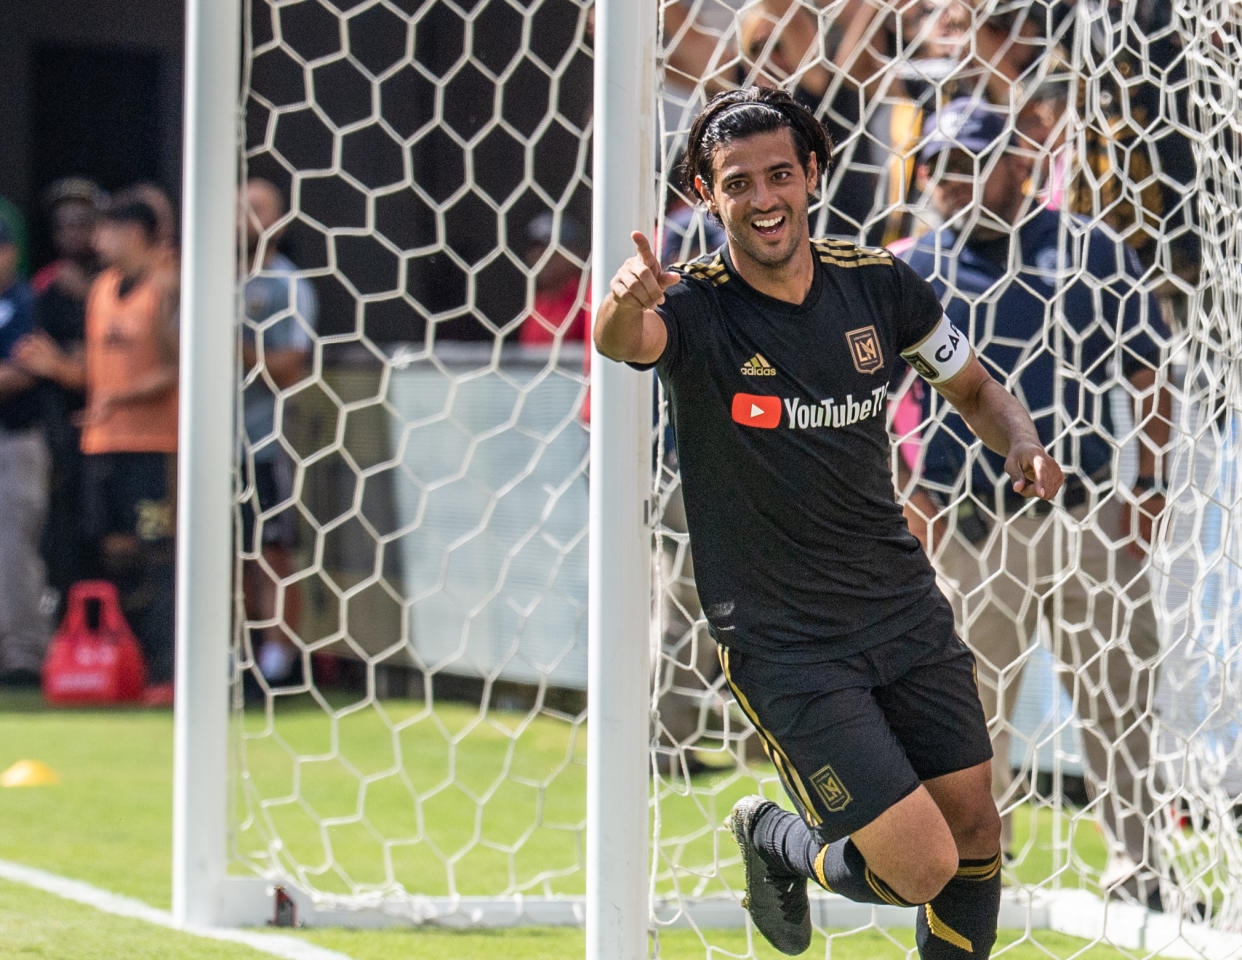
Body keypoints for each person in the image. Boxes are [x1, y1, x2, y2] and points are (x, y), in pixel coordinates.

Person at [594, 86, 1063, 958]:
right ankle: (775, 838)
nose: (764, 198)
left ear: (812, 174)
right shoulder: (694, 305)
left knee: (976, 834)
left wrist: (1021, 445)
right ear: (707, 193)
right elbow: (624, 341)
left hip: (901, 609)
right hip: (784, 638)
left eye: (780, 174)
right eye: (739, 183)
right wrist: (625, 298)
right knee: (919, 867)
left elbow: (973, 387)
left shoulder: (878, 284)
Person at [899, 98, 1173, 911]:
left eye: (969, 165)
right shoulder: (910, 267)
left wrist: (1151, 487)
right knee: (966, 718)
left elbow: (1150, 375)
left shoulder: (1094, 252)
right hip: (970, 528)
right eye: (939, 170)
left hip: (1086, 519)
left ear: (1019, 163)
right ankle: (982, 867)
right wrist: (903, 494)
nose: (951, 184)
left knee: (1119, 698)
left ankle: (1139, 864)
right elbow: (873, 398)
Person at [77, 194, 180, 704]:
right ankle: (125, 662)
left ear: (134, 233)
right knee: (113, 552)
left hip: (153, 443)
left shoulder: (165, 289)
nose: (96, 240)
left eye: (105, 230)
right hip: (102, 441)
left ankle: (168, 672)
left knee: (160, 554)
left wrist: (118, 397)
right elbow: (97, 369)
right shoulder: (100, 289)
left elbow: (175, 367)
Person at [239, 177, 318, 685]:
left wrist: (233, 349)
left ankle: (279, 658)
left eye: (257, 207)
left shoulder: (290, 286)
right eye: (238, 206)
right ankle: (234, 653)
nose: (244, 217)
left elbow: (291, 367)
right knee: (226, 550)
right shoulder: (210, 282)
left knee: (272, 551)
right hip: (215, 447)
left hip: (268, 441)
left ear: (280, 221)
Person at [21, 177, 104, 615]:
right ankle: (67, 619)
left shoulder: (116, 282)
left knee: (107, 530)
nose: (74, 233)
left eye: (83, 223)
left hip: (111, 420)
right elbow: (32, 354)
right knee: (60, 523)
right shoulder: (44, 286)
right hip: (58, 425)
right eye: (65, 225)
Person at [0, 217, 51, 688]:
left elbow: (22, 370)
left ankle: (23, 655)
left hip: (15, 440)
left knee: (14, 547)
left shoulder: (25, 302)